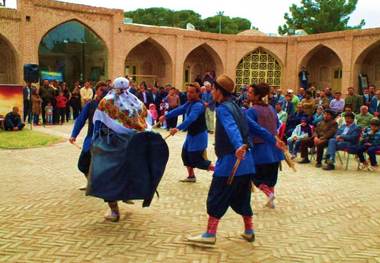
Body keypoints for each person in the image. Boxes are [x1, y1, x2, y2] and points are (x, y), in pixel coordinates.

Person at [187, 75, 272, 245]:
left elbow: (231, 128)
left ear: (219, 91)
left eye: (213, 90)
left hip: (230, 164)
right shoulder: (239, 108)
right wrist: (273, 139)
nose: (211, 93)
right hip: (246, 165)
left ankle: (210, 234)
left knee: (216, 196)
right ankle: (249, 231)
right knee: (242, 198)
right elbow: (256, 128)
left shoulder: (223, 109)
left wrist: (238, 145)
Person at [87, 77, 169, 222]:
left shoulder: (106, 102)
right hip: (133, 145)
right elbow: (147, 121)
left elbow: (98, 124)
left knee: (106, 175)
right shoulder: (136, 103)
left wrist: (94, 142)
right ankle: (126, 196)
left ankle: (114, 211)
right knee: (126, 173)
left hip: (111, 145)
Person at [159, 82, 213, 183]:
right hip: (191, 135)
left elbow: (190, 119)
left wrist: (177, 128)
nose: (189, 94)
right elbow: (179, 110)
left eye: (192, 92)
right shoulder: (189, 103)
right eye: (188, 92)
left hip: (199, 136)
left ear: (198, 93)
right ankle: (191, 176)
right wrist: (166, 116)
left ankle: (219, 171)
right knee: (185, 155)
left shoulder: (198, 105)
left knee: (197, 160)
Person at [246, 84, 285, 209]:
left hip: (260, 149)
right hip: (275, 149)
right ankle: (271, 200)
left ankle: (268, 194)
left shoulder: (251, 111)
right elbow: (278, 125)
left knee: (256, 177)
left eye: (251, 93)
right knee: (271, 177)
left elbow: (251, 129)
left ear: (257, 96)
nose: (248, 94)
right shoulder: (271, 108)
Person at [69, 81, 108, 185]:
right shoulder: (91, 105)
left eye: (105, 90)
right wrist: (74, 135)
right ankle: (91, 183)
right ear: (96, 90)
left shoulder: (111, 106)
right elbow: (80, 120)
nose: (103, 92)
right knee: (83, 163)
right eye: (101, 90)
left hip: (107, 139)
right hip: (92, 138)